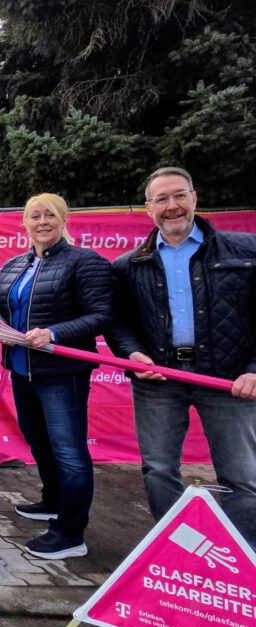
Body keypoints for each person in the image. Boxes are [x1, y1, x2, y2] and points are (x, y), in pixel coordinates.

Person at [108, 167, 256, 546]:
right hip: (159, 381)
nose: (171, 206)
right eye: (161, 199)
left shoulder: (245, 251)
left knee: (242, 476)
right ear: (148, 208)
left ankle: (244, 562)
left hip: (227, 379)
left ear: (194, 198)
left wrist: (254, 370)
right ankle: (178, 549)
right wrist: (134, 354)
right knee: (158, 469)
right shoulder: (129, 265)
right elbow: (118, 323)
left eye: (179, 196)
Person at [0, 193, 112, 560]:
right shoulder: (14, 265)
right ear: (24, 223)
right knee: (37, 440)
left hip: (62, 374)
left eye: (50, 216)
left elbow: (101, 315)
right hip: (23, 370)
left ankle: (70, 533)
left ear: (63, 219)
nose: (42, 222)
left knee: (70, 452)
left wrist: (53, 333)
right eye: (34, 216)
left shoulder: (84, 262)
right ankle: (53, 501)